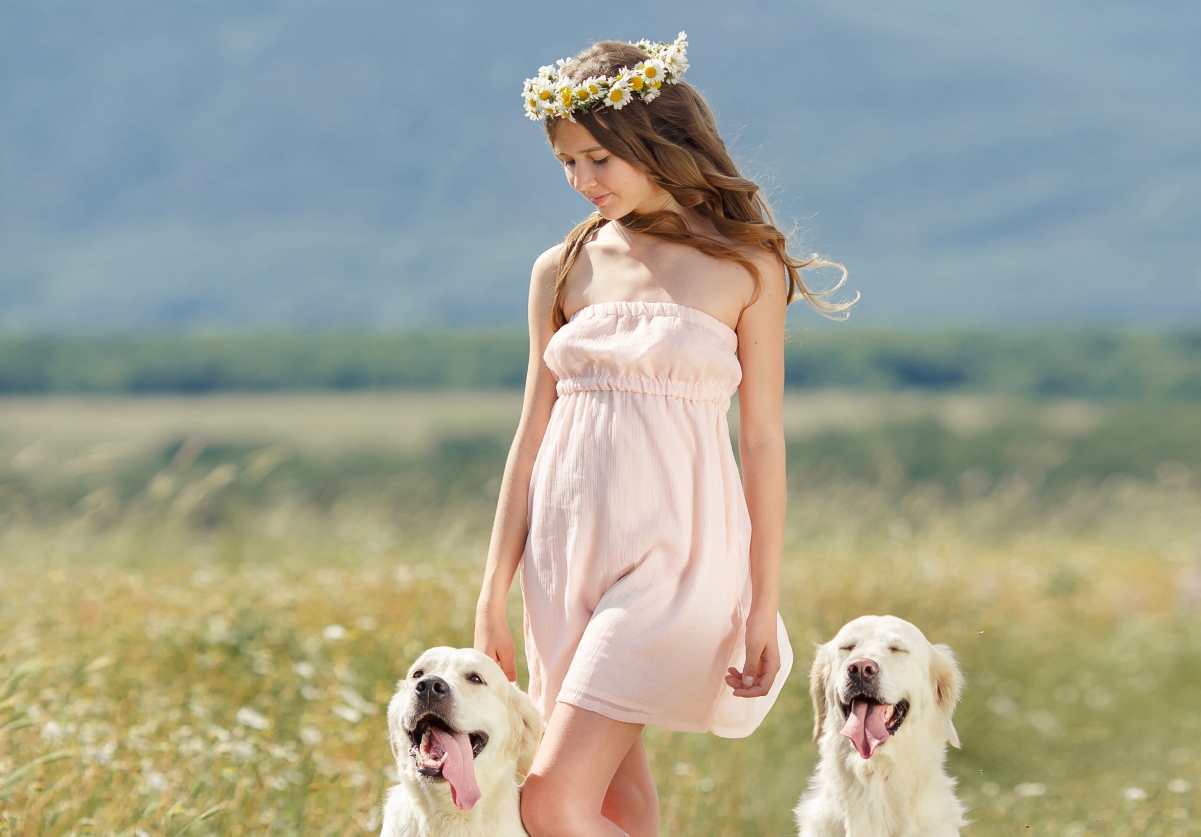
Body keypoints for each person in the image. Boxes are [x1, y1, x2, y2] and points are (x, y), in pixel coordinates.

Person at [474, 33, 852, 837]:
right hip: (564, 557)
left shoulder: (746, 267)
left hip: (676, 563)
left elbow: (763, 443)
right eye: (567, 163)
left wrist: (761, 603)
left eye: (597, 158)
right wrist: (491, 594)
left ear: (656, 141)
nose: (582, 181)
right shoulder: (561, 267)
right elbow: (530, 434)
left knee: (546, 802)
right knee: (617, 804)